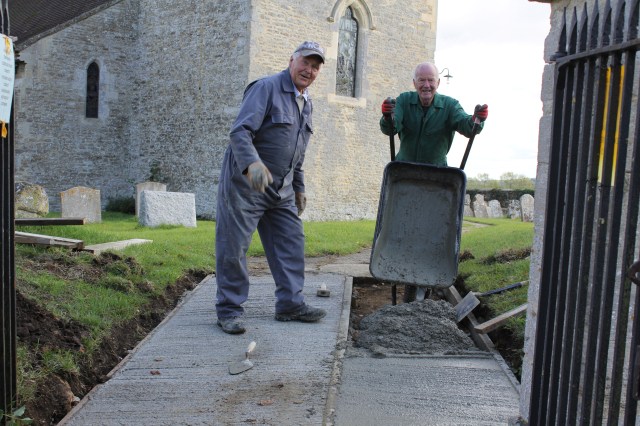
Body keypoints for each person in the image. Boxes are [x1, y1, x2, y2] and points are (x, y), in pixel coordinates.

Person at [215, 41, 327, 334]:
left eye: (315, 67)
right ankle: (229, 310)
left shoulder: (306, 103)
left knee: (291, 242)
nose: (309, 70)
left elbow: (298, 151)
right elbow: (240, 131)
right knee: (234, 247)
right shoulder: (265, 88)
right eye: (305, 63)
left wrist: (299, 187)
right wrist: (252, 165)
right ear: (291, 61)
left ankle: (290, 305)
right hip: (246, 184)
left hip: (282, 189)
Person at [380, 62, 488, 302]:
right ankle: (401, 275)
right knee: (402, 228)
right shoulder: (404, 101)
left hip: (437, 180)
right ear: (414, 83)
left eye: (431, 80)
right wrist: (388, 115)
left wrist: (476, 120)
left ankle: (423, 285)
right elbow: (392, 127)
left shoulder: (449, 105)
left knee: (430, 231)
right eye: (422, 80)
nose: (426, 85)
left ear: (438, 83)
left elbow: (466, 125)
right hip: (404, 177)